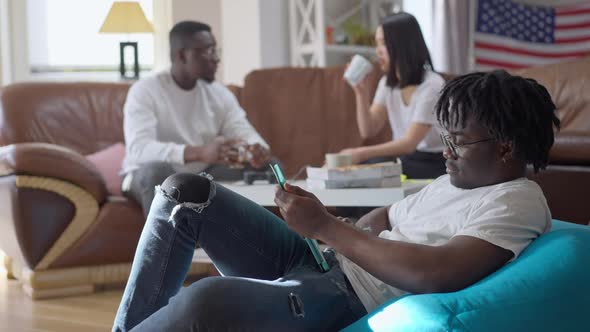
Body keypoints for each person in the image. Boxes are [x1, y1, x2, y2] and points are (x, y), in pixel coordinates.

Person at [112, 70, 560, 331]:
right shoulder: (454, 181)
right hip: (324, 259)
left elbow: (435, 272)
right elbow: (386, 215)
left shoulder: (516, 200)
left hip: (346, 294)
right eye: (444, 138)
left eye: (456, 141)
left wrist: (327, 227)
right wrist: (327, 230)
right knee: (186, 192)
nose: (444, 151)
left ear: (504, 148)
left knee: (204, 303)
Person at [121, 21, 271, 216]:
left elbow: (244, 131)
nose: (216, 59)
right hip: (146, 174)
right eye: (208, 51)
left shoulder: (219, 93)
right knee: (157, 173)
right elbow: (139, 149)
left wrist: (257, 149)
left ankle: (265, 243)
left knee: (269, 166)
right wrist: (199, 153)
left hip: (201, 174)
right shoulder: (145, 90)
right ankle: (168, 245)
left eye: (216, 50)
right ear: (182, 55)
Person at [340, 12, 446, 179]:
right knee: (361, 171)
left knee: (368, 171)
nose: (378, 51)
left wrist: (360, 153)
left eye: (383, 44)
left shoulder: (432, 85)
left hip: (435, 161)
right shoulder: (388, 84)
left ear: (402, 46)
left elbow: (409, 144)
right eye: (377, 44)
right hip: (407, 160)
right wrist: (361, 93)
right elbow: (368, 130)